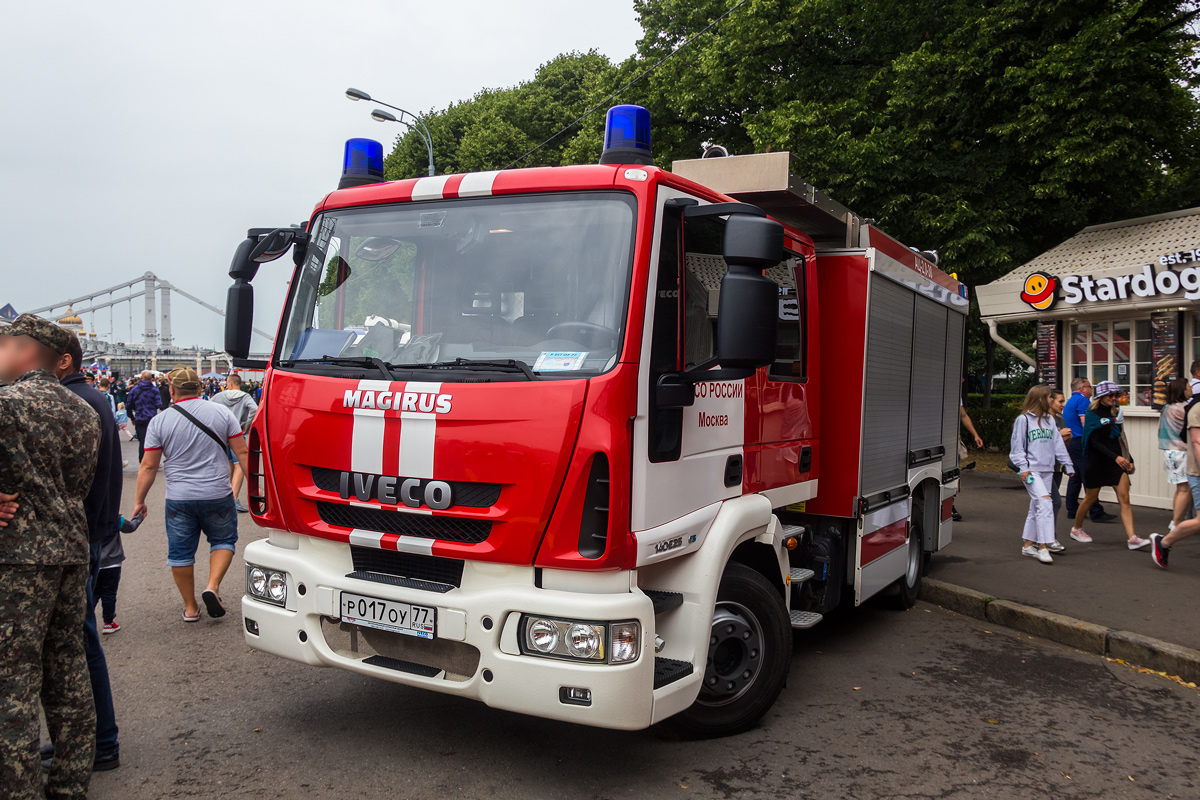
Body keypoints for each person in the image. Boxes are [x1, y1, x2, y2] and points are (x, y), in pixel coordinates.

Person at [0, 314, 101, 800]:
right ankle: (69, 783)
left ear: (22, 351)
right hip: (70, 548)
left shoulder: (6, 404)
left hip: (17, 557)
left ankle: (17, 789)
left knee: (12, 683)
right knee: (67, 667)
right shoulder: (83, 410)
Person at [55, 333, 124, 773]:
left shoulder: (68, 404)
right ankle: (93, 740)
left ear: (62, 362)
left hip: (73, 538)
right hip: (93, 533)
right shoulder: (97, 399)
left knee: (77, 642)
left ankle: (97, 742)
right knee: (80, 641)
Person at [132, 366, 248, 622]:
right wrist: (257, 488)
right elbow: (242, 453)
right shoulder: (221, 413)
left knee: (180, 553)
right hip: (218, 492)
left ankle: (191, 607)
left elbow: (149, 466)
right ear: (199, 388)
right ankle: (212, 586)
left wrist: (139, 500)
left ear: (171, 390)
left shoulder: (159, 421)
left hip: (179, 497)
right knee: (223, 540)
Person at [1070, 380, 1150, 549]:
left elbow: (1121, 439)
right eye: (1110, 395)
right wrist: (1116, 458)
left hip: (1116, 461)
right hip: (1096, 461)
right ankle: (1076, 529)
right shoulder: (1092, 413)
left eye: (1116, 395)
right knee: (1090, 498)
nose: (1114, 398)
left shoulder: (1117, 412)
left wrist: (1130, 459)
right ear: (1101, 397)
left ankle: (1132, 538)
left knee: (1125, 498)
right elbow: (1094, 443)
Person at [1010, 385, 1075, 564]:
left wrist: (1067, 465)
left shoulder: (1049, 420)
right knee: (1045, 503)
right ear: (1041, 399)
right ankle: (1043, 546)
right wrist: (1023, 468)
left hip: (1047, 470)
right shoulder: (1023, 420)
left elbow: (1058, 445)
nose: (1052, 401)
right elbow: (1016, 449)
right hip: (1031, 471)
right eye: (1049, 398)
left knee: (1036, 507)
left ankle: (1028, 546)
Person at [1062, 377, 1117, 525]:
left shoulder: (1069, 402)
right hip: (1082, 442)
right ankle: (1096, 511)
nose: (1091, 390)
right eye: (1089, 387)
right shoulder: (1083, 401)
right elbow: (1086, 423)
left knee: (1075, 478)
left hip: (1073, 442)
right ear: (1082, 389)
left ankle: (1072, 510)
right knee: (1089, 477)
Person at [210, 374, 259, 513]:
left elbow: (208, 408)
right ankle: (234, 499)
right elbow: (254, 409)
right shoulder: (245, 397)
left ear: (230, 383)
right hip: (236, 434)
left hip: (221, 434)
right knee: (239, 466)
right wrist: (246, 424)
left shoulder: (219, 396)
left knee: (229, 465)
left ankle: (225, 497)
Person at [95, 513, 142, 635]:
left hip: (95, 562)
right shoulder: (114, 518)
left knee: (93, 593)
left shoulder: (89, 517)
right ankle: (108, 623)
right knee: (109, 593)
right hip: (113, 562)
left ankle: (85, 620)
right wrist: (140, 516)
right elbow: (130, 527)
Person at [1157, 377, 1193, 530]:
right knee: (1184, 489)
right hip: (1182, 452)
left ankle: (1176, 521)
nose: (1191, 388)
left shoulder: (1166, 407)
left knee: (1180, 488)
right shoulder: (1184, 408)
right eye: (1188, 386)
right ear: (1182, 390)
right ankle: (1177, 523)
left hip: (1169, 452)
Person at [1048, 388, 1072, 530]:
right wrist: (1059, 435)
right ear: (1050, 401)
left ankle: (1048, 536)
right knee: (1054, 502)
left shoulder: (1061, 420)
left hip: (1056, 467)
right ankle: (1045, 538)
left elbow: (1062, 447)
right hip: (1042, 469)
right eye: (1060, 401)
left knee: (1051, 503)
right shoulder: (1042, 420)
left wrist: (1066, 438)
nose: (1063, 405)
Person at [126, 370, 162, 461]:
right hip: (152, 418)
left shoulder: (134, 389)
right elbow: (159, 404)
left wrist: (132, 417)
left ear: (141, 378)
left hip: (140, 417)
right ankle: (152, 460)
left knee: (142, 440)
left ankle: (142, 460)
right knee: (152, 441)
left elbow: (128, 405)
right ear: (151, 379)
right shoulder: (154, 390)